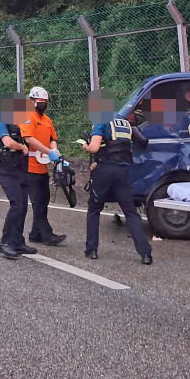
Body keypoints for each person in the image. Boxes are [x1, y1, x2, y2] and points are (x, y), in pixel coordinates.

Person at [79, 113, 153, 265]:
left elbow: (94, 147)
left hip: (104, 170)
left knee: (94, 209)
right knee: (130, 213)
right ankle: (146, 254)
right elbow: (131, 148)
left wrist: (85, 146)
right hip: (123, 172)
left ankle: (91, 250)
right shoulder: (125, 123)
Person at [0, 96, 38, 259]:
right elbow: (8, 143)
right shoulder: (1, 123)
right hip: (7, 171)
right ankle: (5, 243)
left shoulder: (21, 124)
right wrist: (22, 147)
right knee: (17, 205)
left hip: (21, 169)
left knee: (23, 206)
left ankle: (18, 241)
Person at [20, 86, 66, 246]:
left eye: (45, 102)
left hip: (43, 167)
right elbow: (29, 139)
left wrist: (54, 151)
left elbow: (53, 137)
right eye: (40, 101)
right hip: (30, 167)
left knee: (44, 200)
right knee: (38, 201)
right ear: (32, 102)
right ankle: (47, 235)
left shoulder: (47, 120)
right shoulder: (27, 117)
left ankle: (35, 233)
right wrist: (48, 151)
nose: (43, 104)